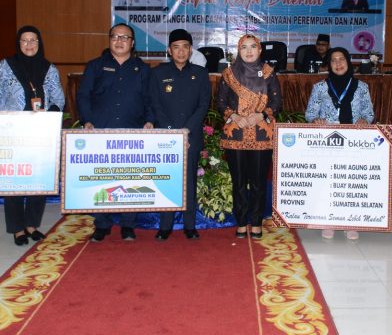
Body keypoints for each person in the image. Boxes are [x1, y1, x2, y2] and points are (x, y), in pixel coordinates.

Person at [0, 25, 65, 246]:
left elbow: (58, 98)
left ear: (40, 43)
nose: (29, 44)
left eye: (33, 40)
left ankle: (32, 225)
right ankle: (17, 228)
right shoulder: (6, 66)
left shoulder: (49, 68)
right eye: (24, 40)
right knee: (14, 179)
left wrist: (53, 112)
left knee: (39, 178)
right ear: (18, 43)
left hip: (40, 133)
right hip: (12, 131)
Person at [77, 23, 155, 242]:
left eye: (124, 37)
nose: (119, 41)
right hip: (101, 131)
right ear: (109, 39)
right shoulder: (95, 66)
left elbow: (150, 99)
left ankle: (128, 225)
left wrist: (150, 120)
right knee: (102, 178)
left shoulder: (143, 69)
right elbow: (83, 95)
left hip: (133, 132)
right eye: (115, 36)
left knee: (130, 178)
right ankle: (102, 224)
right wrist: (87, 120)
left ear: (132, 42)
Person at [305, 47, 374, 240]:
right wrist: (315, 120)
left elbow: (369, 113)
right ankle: (329, 220)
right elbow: (310, 113)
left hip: (354, 142)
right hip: (328, 141)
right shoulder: (320, 87)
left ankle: (350, 221)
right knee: (328, 181)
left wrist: (365, 120)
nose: (338, 63)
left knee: (349, 182)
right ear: (328, 65)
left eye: (341, 59)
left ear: (348, 62)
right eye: (333, 60)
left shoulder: (362, 87)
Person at [216, 34, 282, 239]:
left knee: (258, 183)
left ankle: (256, 222)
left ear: (260, 50)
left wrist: (260, 115)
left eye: (253, 46)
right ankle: (241, 222)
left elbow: (276, 103)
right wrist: (234, 116)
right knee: (239, 182)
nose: (249, 51)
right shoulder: (228, 74)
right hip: (236, 133)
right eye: (244, 47)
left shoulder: (269, 73)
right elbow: (220, 103)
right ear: (239, 50)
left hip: (261, 134)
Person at [149, 29, 211, 240]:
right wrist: (172, 132)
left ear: (191, 50)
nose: (181, 51)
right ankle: (165, 226)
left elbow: (203, 105)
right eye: (176, 47)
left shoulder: (200, 74)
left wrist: (186, 130)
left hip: (191, 136)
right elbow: (155, 105)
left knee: (189, 181)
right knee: (167, 179)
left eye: (185, 47)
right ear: (169, 50)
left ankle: (189, 225)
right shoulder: (158, 73)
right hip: (166, 137)